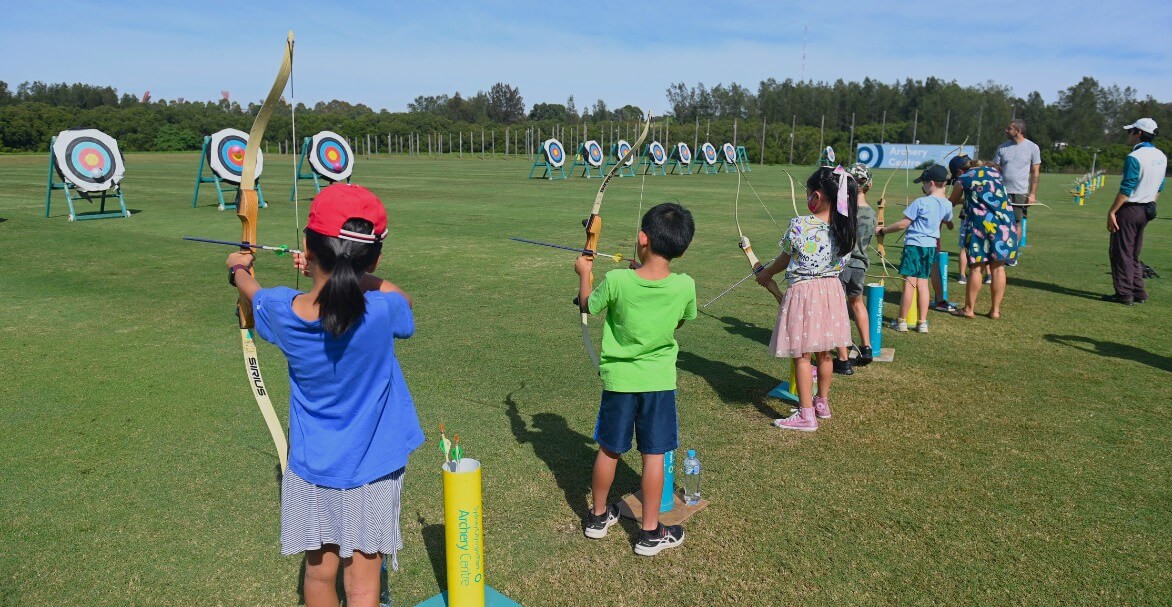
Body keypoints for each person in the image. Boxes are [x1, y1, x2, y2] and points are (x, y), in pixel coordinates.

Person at [227, 183, 423, 607]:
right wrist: (355, 276)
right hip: (374, 467)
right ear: (375, 258)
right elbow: (402, 302)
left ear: (306, 248)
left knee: (318, 577)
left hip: (313, 467)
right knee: (364, 586)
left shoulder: (282, 309)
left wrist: (237, 268)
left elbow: (253, 292)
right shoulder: (382, 312)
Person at [575, 202, 696, 556]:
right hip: (658, 382)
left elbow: (587, 305)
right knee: (654, 455)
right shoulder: (684, 285)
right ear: (682, 249)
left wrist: (584, 271)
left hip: (620, 382)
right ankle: (650, 534)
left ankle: (597, 518)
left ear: (642, 239)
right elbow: (677, 322)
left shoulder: (617, 280)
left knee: (609, 450)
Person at [756, 166, 857, 431]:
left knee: (801, 355)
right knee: (825, 352)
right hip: (832, 293)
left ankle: (806, 414)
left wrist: (766, 272)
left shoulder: (800, 224)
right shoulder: (846, 228)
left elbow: (786, 257)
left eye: (808, 195)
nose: (807, 200)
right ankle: (821, 402)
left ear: (817, 195)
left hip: (805, 293)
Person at [876, 164, 954, 333]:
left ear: (931, 183)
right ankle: (922, 323)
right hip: (930, 247)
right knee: (923, 285)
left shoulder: (920, 202)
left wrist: (883, 230)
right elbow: (948, 221)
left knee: (909, 284)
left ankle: (902, 322)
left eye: (924, 183)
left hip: (914, 246)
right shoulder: (947, 204)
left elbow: (904, 224)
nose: (923, 187)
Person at [1104, 118, 1166, 305]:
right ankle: (1139, 292)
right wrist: (1151, 203)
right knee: (1133, 252)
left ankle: (1124, 294)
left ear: (1138, 133)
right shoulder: (1161, 155)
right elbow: (1161, 184)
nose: (1128, 135)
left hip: (1130, 209)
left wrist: (1112, 212)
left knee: (1121, 252)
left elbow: (1127, 188)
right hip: (1147, 209)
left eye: (1130, 131)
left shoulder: (1135, 157)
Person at [948, 156, 1018, 318]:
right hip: (1004, 224)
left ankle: (969, 309)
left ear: (960, 171)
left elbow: (950, 202)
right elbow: (985, 196)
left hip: (980, 226)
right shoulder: (993, 173)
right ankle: (995, 311)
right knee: (998, 268)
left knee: (976, 267)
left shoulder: (963, 179)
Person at [833, 163, 877, 375]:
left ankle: (843, 359)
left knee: (839, 309)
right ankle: (867, 347)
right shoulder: (871, 213)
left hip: (842, 266)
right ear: (869, 185)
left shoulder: (843, 211)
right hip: (860, 265)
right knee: (857, 303)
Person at [991, 119, 1041, 244]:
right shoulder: (1002, 148)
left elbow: (1035, 172)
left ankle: (1013, 254)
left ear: (1018, 131)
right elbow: (994, 169)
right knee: (999, 222)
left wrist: (1032, 194)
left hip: (1020, 192)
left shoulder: (1033, 148)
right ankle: (999, 252)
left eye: (1009, 128)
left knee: (1016, 223)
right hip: (1001, 191)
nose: (1006, 130)